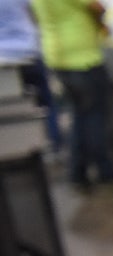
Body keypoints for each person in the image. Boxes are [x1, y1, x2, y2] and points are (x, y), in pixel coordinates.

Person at [29, 0, 113, 189]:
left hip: (56, 58)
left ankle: (78, 174)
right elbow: (97, 7)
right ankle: (106, 173)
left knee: (77, 116)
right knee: (95, 117)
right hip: (84, 58)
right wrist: (102, 25)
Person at [0, 0, 63, 154]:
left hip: (4, 59)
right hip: (28, 51)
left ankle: (13, 148)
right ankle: (53, 147)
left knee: (9, 110)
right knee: (45, 103)